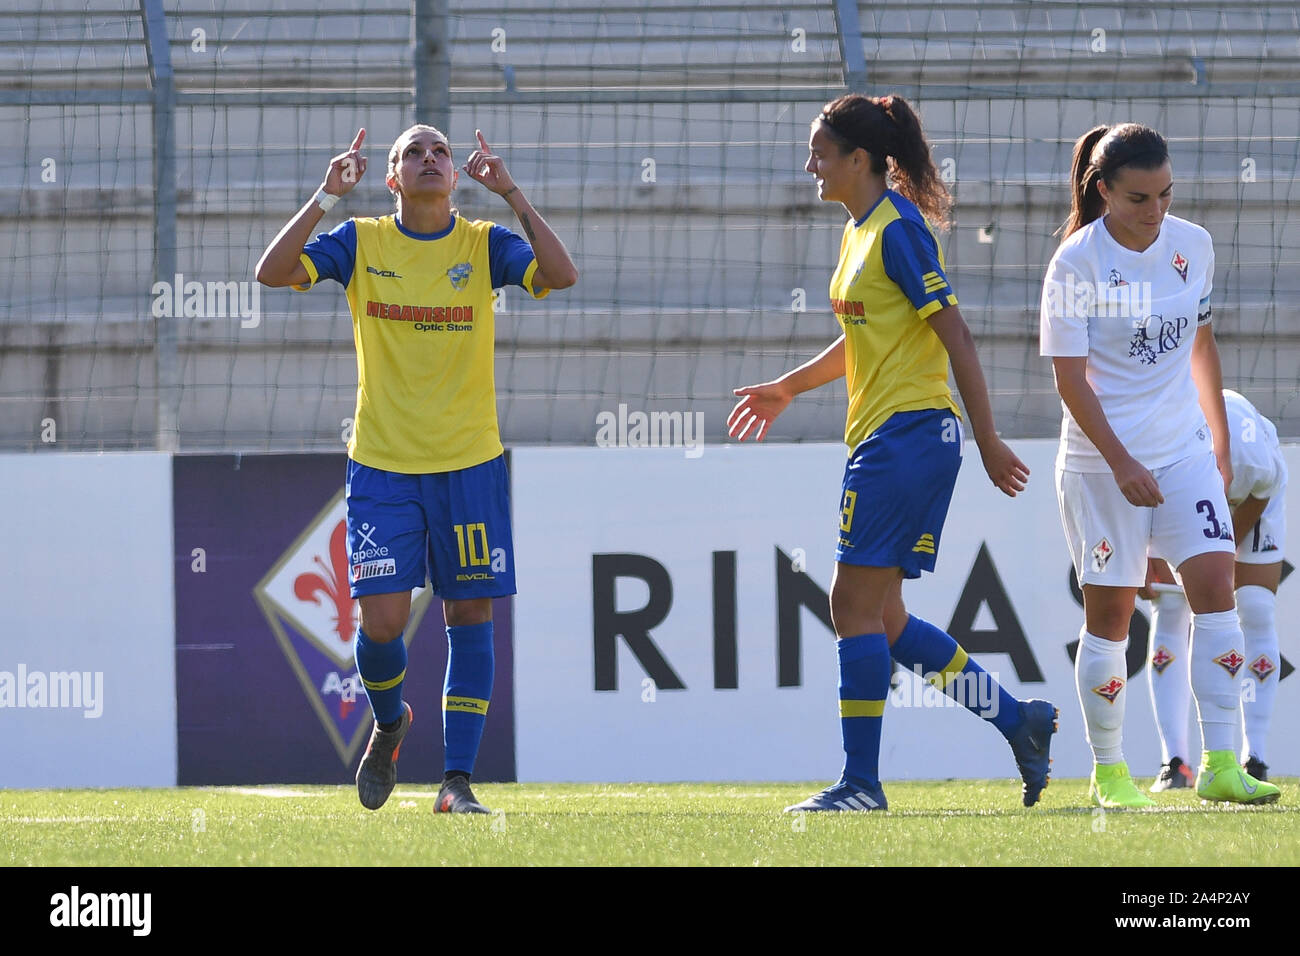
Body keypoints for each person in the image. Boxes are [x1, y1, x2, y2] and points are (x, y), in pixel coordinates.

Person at [729, 93, 1057, 813]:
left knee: (850, 605)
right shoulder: (861, 230)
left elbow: (957, 337)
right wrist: (789, 387)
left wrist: (989, 437)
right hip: (894, 437)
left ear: (860, 159)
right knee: (885, 619)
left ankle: (861, 785)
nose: (809, 164)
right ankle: (1019, 719)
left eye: (820, 152)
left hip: (907, 437)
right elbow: (863, 338)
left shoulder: (898, 233)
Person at [255, 125, 577, 813]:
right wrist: (324, 196)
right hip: (383, 466)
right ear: (391, 178)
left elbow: (561, 275)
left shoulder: (484, 244)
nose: (429, 159)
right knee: (380, 624)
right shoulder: (362, 241)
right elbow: (272, 273)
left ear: (456, 175)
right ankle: (391, 721)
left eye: (440, 152)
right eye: (413, 154)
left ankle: (456, 783)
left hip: (470, 464)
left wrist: (513, 194)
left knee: (469, 608)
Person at [1040, 123, 1279, 807]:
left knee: (1216, 590)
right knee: (1111, 616)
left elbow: (1202, 345)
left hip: (1183, 454)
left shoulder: (1193, 246)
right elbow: (1070, 380)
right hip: (1099, 464)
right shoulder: (1076, 264)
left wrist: (1221, 443)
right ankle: (1110, 772)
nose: (1157, 211)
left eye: (1167, 194)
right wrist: (1119, 462)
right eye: (1141, 198)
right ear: (1104, 190)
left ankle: (1222, 765)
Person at [1143, 388, 1287, 789]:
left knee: (1255, 607)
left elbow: (1262, 489)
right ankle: (1174, 762)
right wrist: (1143, 555)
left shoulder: (1251, 458)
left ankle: (1254, 756)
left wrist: (1223, 550)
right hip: (1172, 499)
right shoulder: (1160, 441)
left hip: (1256, 499)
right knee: (1171, 607)